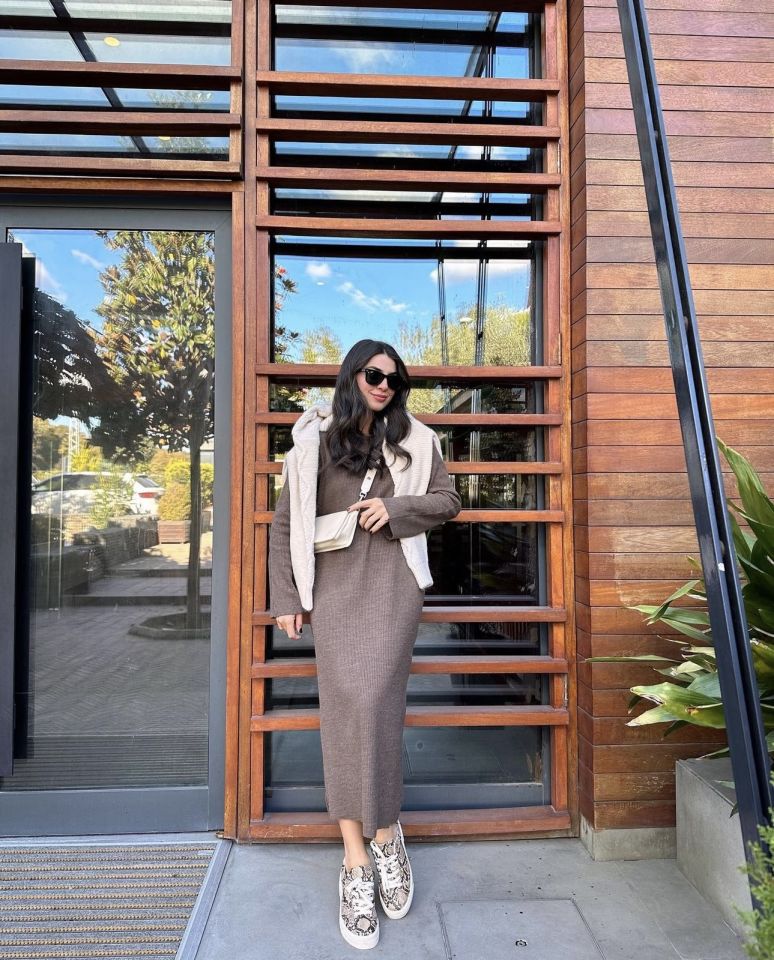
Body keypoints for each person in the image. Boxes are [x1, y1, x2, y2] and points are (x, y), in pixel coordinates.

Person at [268, 339, 462, 950]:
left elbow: (449, 501)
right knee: (345, 709)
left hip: (393, 584)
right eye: (374, 375)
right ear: (352, 375)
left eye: (395, 380)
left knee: (376, 703)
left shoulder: (417, 440)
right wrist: (286, 597)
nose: (384, 385)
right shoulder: (314, 441)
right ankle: (358, 856)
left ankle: (385, 832)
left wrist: (395, 507)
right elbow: (285, 524)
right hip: (333, 588)